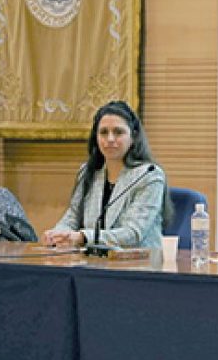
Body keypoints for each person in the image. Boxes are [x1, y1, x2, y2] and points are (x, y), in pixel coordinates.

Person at [43, 100, 169, 249]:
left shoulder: (150, 176)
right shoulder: (88, 172)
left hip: (139, 264)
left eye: (118, 132)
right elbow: (72, 217)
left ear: (133, 137)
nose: (110, 139)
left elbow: (133, 233)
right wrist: (57, 234)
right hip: (93, 262)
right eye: (103, 132)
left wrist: (83, 237)